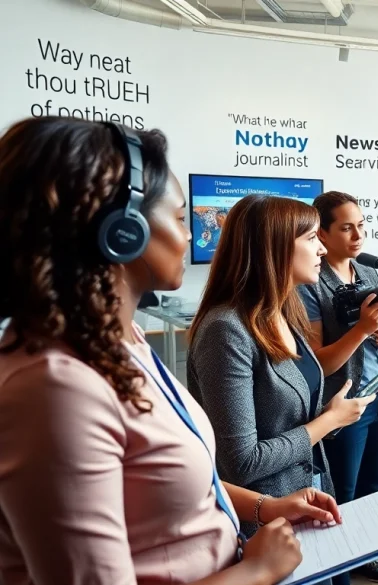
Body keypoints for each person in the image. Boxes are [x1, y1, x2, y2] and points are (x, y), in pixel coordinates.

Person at [0, 117, 340, 585]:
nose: (189, 236)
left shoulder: (123, 343)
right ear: (122, 230)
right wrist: (257, 572)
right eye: (180, 218)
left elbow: (176, 484)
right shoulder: (54, 387)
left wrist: (264, 507)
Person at [188, 195, 376, 538]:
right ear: (272, 249)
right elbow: (242, 463)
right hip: (263, 525)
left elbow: (291, 414)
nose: (321, 250)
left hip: (308, 498)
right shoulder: (226, 330)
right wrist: (328, 421)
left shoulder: (284, 314)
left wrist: (331, 414)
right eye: (310, 239)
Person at [298, 191, 378, 584]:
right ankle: (338, 572)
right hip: (344, 404)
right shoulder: (309, 283)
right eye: (346, 227)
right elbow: (318, 362)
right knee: (340, 493)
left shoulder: (371, 274)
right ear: (322, 235)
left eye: (361, 225)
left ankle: (362, 555)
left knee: (374, 487)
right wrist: (361, 330)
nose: (357, 234)